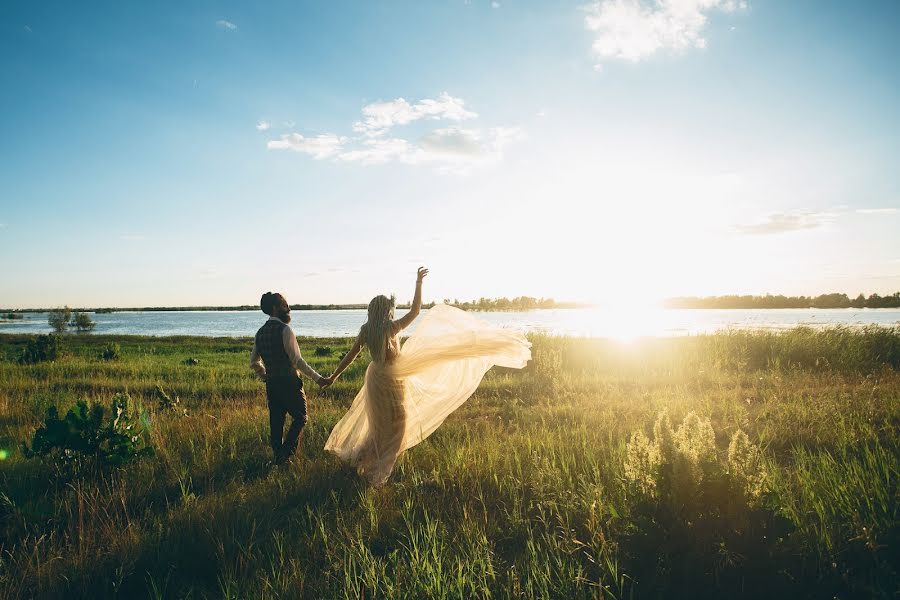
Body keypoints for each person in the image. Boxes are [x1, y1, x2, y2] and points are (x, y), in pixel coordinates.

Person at [322, 268, 532, 485]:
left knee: (379, 424)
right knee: (398, 425)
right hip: (392, 379)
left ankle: (362, 460)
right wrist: (418, 283)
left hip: (375, 378)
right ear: (386, 311)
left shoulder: (366, 330)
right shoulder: (390, 328)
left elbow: (350, 355)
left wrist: (334, 376)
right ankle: (378, 473)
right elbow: (415, 311)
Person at [250, 292, 327, 464]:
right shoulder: (285, 330)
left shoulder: (260, 333)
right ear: (275, 308)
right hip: (289, 383)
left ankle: (279, 457)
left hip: (272, 384)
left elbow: (254, 362)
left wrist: (265, 376)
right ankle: (285, 454)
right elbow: (297, 361)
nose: (289, 308)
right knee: (301, 417)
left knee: (276, 422)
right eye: (285, 305)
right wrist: (318, 378)